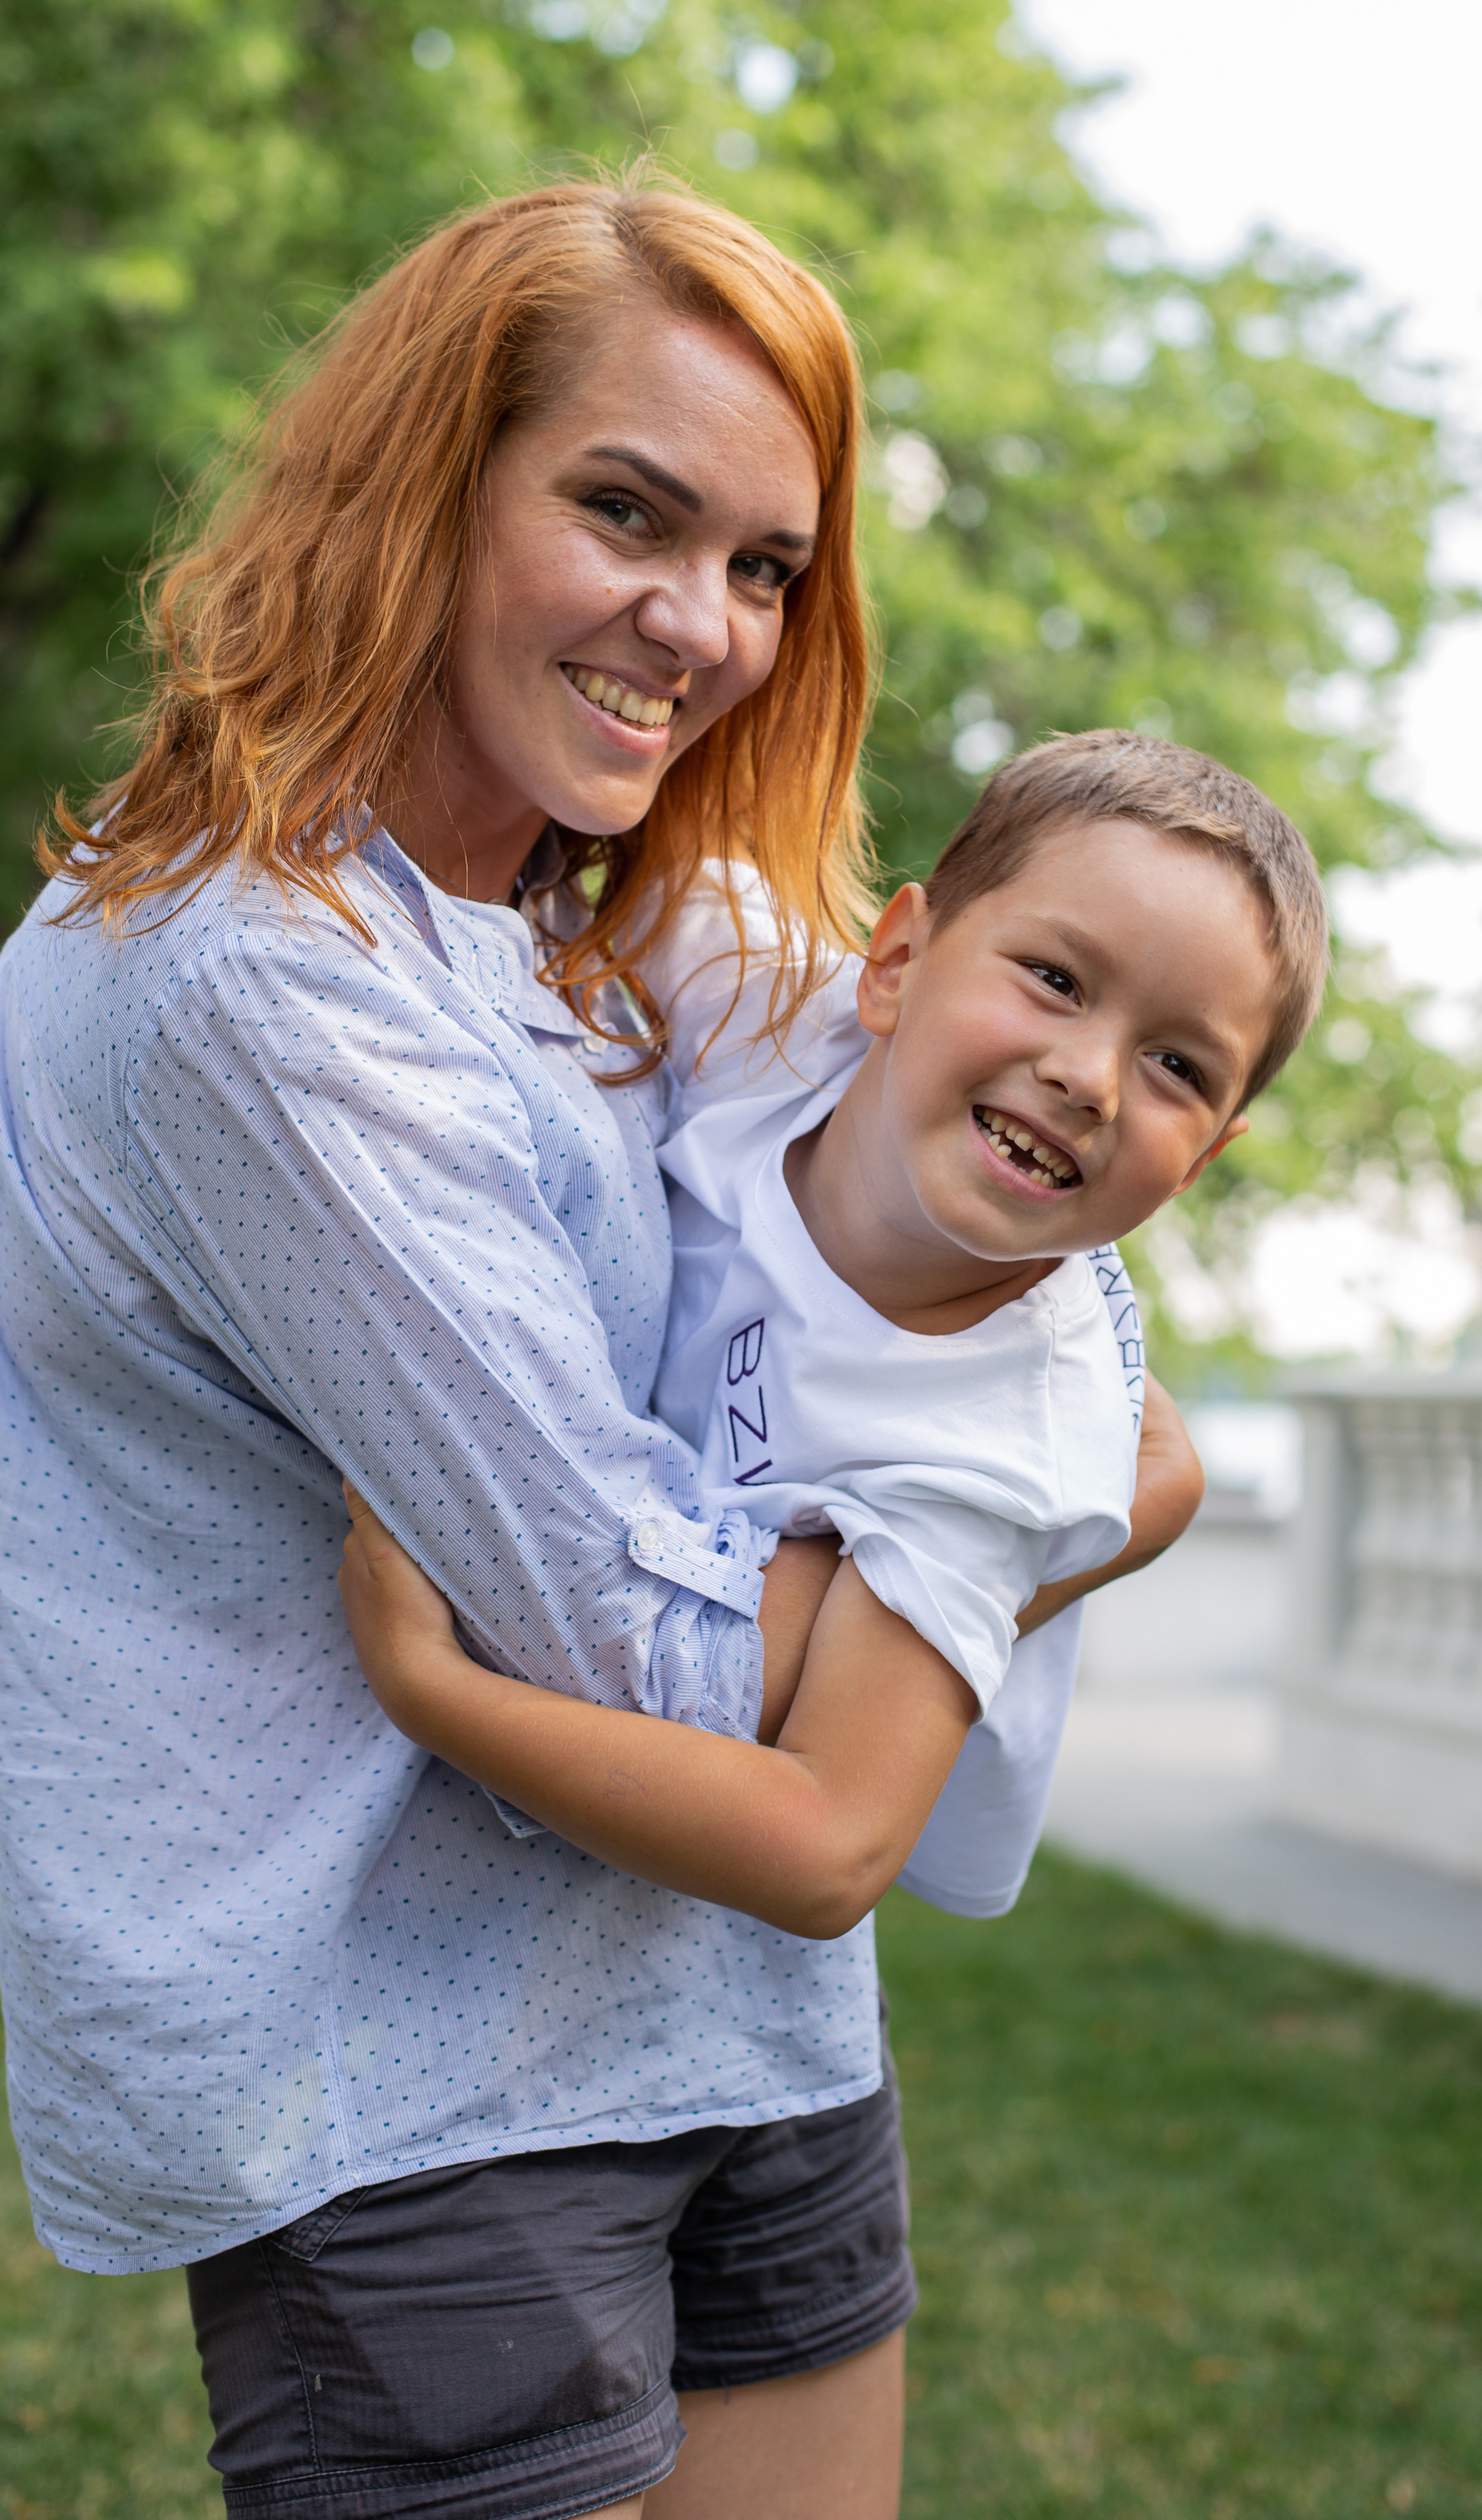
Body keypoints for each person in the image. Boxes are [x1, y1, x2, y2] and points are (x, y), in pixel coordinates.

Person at [0, 177, 1202, 2520]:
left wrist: (1045, 1492)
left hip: (735, 2017)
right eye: (626, 511)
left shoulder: (586, 938)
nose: (700, 627)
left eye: (763, 569)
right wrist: (1047, 1527)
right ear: (427, 482)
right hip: (413, 2097)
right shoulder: (254, 984)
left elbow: (1039, 1316)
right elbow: (637, 1646)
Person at [338, 732, 1328, 1939]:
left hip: (738, 1794)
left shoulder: (1002, 1448)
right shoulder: (763, 1003)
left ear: (1201, 1166)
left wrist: (430, 1689)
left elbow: (826, 1846)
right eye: (1058, 980)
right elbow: (595, 829)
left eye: (1177, 1065)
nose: (1090, 1077)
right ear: (898, 961)